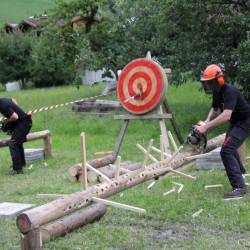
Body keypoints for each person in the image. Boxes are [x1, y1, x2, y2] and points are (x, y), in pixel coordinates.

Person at [195, 64, 250, 199]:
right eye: (207, 83)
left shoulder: (229, 91)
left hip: (245, 121)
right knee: (229, 146)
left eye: (210, 83)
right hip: (236, 122)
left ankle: (239, 187)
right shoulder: (217, 92)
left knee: (226, 150)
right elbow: (214, 109)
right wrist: (206, 123)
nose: (209, 86)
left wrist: (206, 127)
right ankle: (240, 172)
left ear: (218, 80)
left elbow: (226, 115)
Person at [0, 98, 32, 175]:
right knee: (17, 143)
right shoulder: (3, 100)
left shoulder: (3, 106)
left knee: (13, 144)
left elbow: (15, 117)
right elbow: (13, 100)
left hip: (24, 124)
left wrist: (6, 121)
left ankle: (17, 170)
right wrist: (18, 110)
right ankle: (21, 163)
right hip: (23, 122)